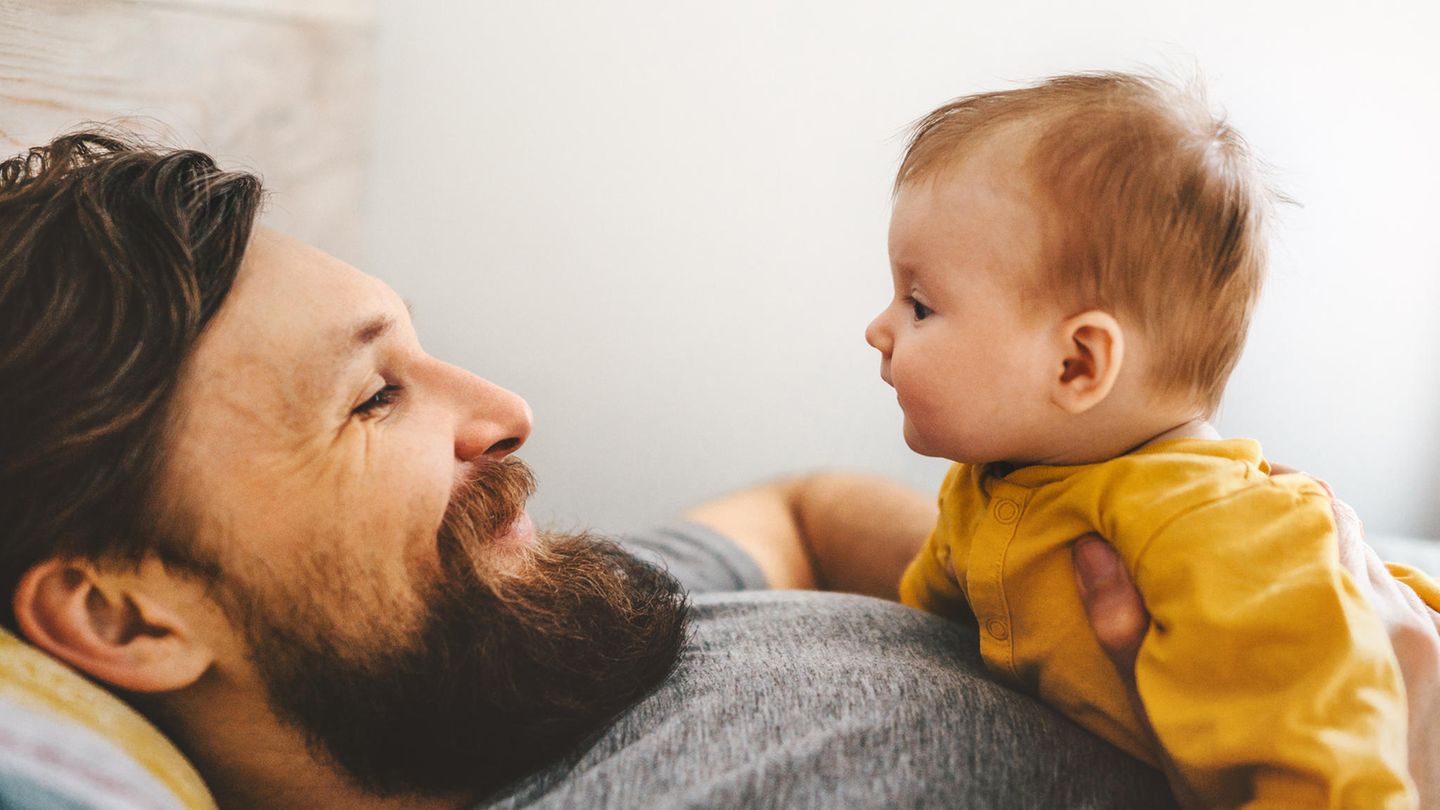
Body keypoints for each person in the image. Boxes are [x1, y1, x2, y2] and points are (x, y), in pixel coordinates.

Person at [0, 131, 1433, 810]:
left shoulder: (521, 626)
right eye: (376, 395)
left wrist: (1049, 592)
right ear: (122, 613)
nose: (508, 412)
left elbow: (801, 509)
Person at [864, 72, 1440, 808]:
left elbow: (1333, 763)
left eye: (918, 305)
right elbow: (928, 618)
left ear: (1078, 364)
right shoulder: (987, 483)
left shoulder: (1217, 531)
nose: (878, 329)